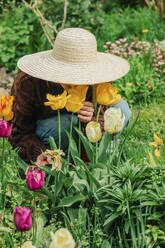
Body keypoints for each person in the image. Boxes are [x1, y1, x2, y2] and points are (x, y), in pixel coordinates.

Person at [10, 27, 132, 163]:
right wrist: (38, 152)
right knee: (64, 125)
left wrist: (92, 120)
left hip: (82, 125)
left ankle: (103, 158)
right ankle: (64, 164)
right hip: (50, 127)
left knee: (122, 110)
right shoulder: (30, 82)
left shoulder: (97, 76)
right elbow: (19, 131)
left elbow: (102, 112)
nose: (76, 78)